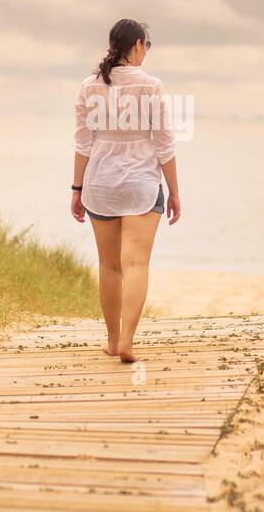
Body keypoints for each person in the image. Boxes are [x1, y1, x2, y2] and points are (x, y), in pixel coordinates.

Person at [70, 18, 181, 362]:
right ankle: (129, 342)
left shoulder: (90, 87)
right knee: (135, 264)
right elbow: (164, 146)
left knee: (109, 266)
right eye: (146, 45)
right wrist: (175, 193)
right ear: (136, 45)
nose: (146, 52)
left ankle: (113, 339)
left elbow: (83, 144)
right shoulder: (151, 87)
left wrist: (76, 189)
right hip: (141, 185)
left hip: (100, 183)